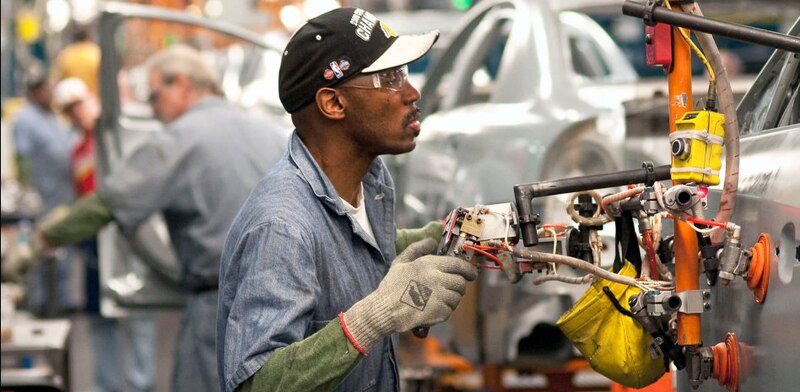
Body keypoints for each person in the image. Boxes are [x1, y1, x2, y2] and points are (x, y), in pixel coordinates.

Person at [217, 8, 477, 392]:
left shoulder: (369, 182)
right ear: (333, 104)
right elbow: (256, 384)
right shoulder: (281, 228)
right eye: (390, 78)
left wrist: (446, 235)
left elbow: (345, 252)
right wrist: (375, 316)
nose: (411, 92)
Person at [36, 45, 288, 392]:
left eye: (154, 97)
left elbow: (107, 204)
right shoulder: (270, 133)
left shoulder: (178, 140)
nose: (153, 112)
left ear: (181, 84)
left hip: (222, 309)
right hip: (288, 302)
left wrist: (41, 240)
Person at [52, 77, 157, 392]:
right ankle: (106, 384)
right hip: (95, 243)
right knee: (100, 318)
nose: (79, 113)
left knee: (139, 313)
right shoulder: (78, 149)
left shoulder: (121, 138)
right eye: (71, 110)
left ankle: (142, 383)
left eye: (80, 104)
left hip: (129, 237)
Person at [11, 70, 80, 314]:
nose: (50, 93)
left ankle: (61, 298)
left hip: (63, 192)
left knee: (62, 245)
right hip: (44, 194)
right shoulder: (25, 119)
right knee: (39, 247)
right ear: (35, 92)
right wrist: (27, 190)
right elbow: (22, 158)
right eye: (46, 89)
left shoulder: (51, 115)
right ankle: (38, 300)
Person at [53, 25, 101, 95]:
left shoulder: (66, 54)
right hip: (93, 95)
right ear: (88, 37)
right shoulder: (95, 52)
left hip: (73, 97)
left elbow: (60, 78)